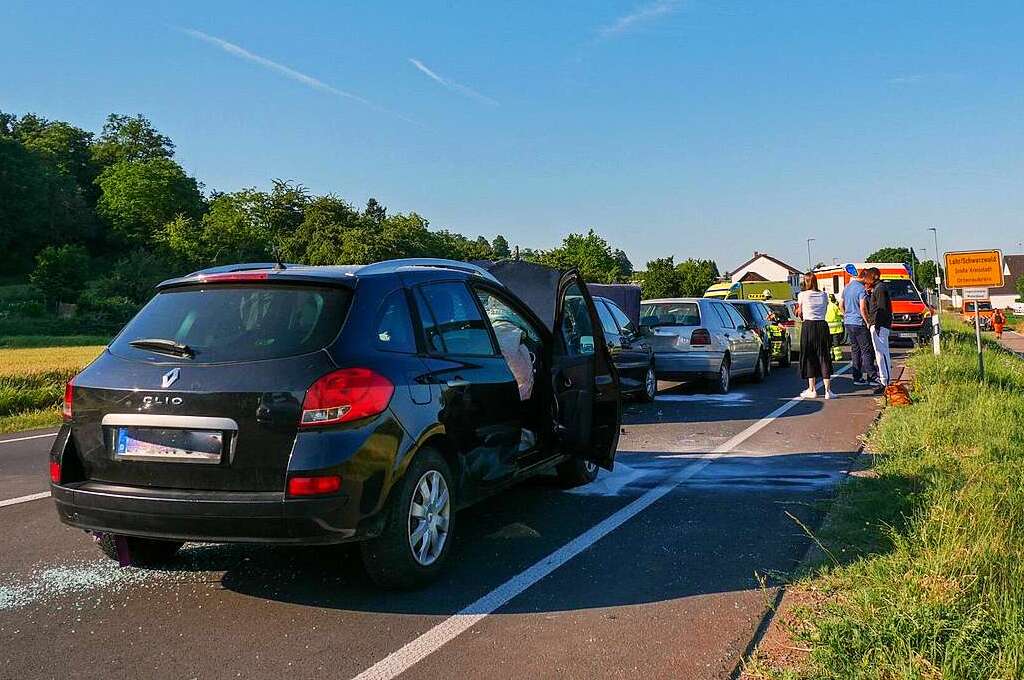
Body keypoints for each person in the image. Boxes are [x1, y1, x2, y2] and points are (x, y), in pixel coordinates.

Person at [795, 273, 835, 399]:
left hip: (808, 326)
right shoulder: (824, 295)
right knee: (824, 356)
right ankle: (828, 391)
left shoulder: (802, 295)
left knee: (809, 357)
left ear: (806, 282)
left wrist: (799, 313)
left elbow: (800, 313)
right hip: (822, 326)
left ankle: (812, 389)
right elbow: (824, 308)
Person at [839, 268, 877, 386]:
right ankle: (871, 376)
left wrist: (846, 315)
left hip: (848, 322)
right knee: (866, 350)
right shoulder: (861, 289)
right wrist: (867, 321)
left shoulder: (847, 287)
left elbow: (841, 304)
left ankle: (857, 377)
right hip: (859, 322)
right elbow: (862, 307)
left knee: (855, 350)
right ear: (864, 278)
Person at [866, 267, 893, 393]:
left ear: (873, 276)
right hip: (878, 325)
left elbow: (881, 309)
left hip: (880, 325)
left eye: (867, 277)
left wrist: (877, 325)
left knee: (882, 353)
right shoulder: (877, 289)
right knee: (879, 354)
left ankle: (886, 383)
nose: (866, 280)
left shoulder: (880, 289)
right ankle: (884, 381)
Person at [826, 293, 844, 362]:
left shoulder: (826, 306)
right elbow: (840, 313)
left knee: (829, 343)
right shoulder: (834, 306)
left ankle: (830, 356)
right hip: (836, 328)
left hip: (828, 328)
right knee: (836, 343)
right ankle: (838, 356)